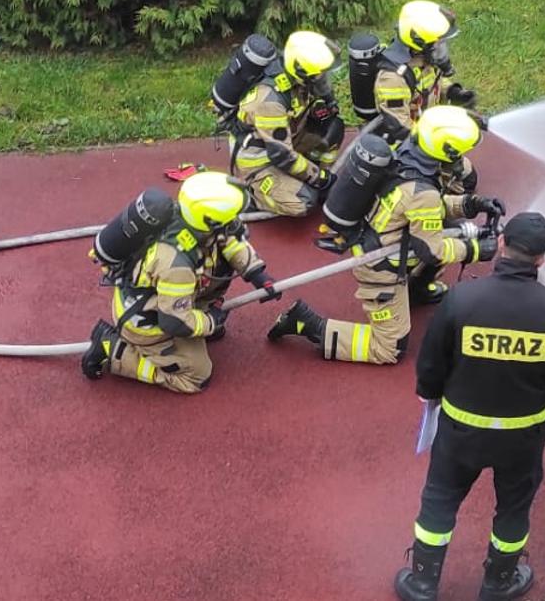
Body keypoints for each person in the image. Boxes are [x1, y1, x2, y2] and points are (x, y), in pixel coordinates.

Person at [393, 212, 545, 601]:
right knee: (513, 508)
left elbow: (431, 362)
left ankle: (423, 582)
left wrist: (430, 393)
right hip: (523, 436)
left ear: (500, 244)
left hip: (460, 431)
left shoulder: (461, 299)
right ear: (541, 258)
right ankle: (499, 581)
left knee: (440, 498)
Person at [266, 106, 505, 364]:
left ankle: (418, 290)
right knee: (389, 349)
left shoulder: (408, 155)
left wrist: (470, 204)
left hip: (386, 242)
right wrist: (475, 250)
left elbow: (424, 206)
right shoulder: (423, 191)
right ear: (447, 150)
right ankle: (306, 324)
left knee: (446, 229)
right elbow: (432, 250)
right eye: (459, 153)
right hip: (381, 269)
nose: (461, 159)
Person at [81, 172, 279, 393]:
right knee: (197, 376)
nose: (236, 222)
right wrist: (210, 321)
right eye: (230, 217)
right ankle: (113, 349)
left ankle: (196, 323)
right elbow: (174, 322)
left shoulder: (193, 220)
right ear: (211, 220)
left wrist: (256, 272)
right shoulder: (177, 265)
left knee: (219, 262)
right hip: (147, 322)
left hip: (169, 301)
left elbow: (229, 239)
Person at [370, 0, 483, 198]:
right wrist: (440, 141)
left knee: (468, 179)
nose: (442, 47)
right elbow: (400, 128)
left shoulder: (425, 59)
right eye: (438, 42)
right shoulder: (393, 79)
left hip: (427, 132)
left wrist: (453, 92)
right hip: (406, 146)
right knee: (436, 193)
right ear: (420, 42)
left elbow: (432, 83)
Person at [232, 30, 343, 216]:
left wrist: (322, 106)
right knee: (304, 201)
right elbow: (282, 155)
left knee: (333, 127)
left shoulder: (299, 79)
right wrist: (320, 179)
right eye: (319, 75)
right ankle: (253, 196)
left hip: (286, 139)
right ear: (302, 73)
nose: (323, 79)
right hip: (261, 161)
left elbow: (301, 106)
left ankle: (309, 175)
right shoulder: (270, 101)